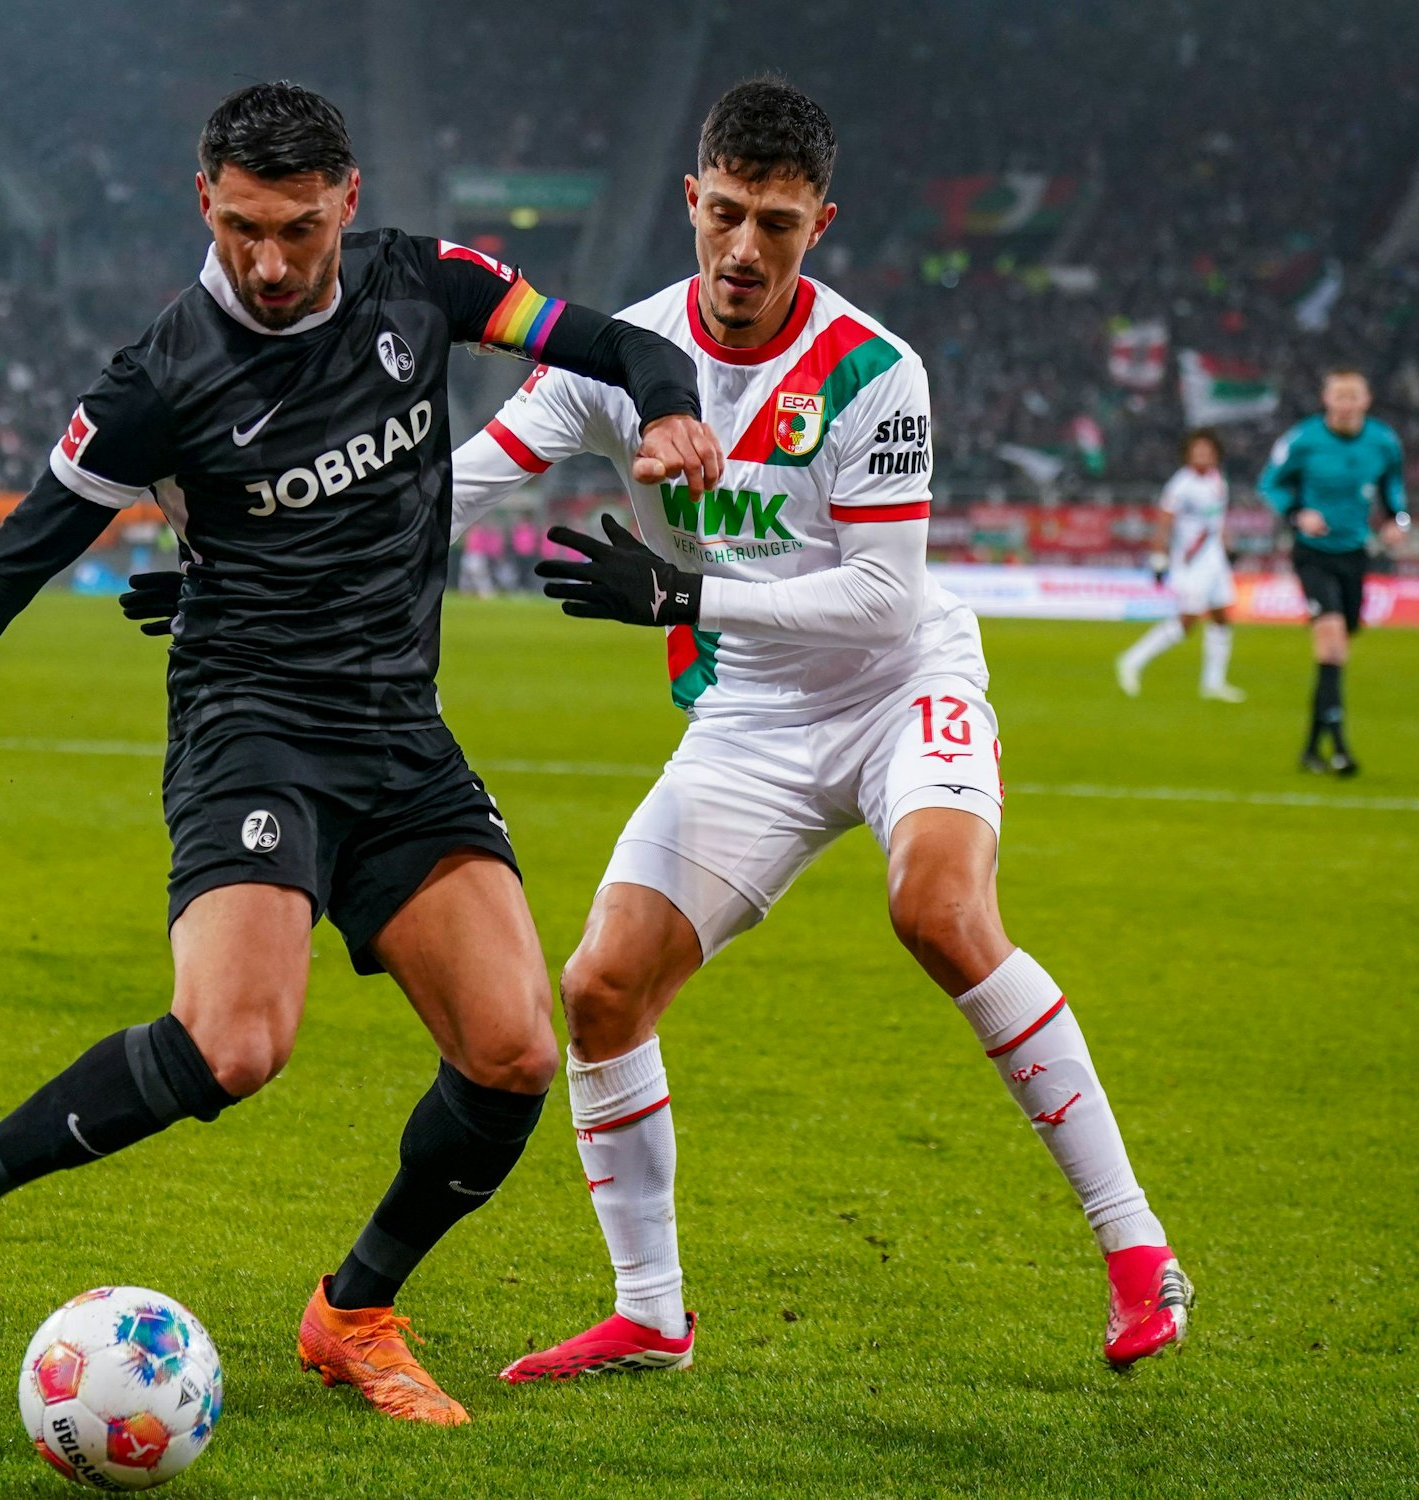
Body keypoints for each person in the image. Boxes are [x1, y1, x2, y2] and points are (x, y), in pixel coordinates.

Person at [0, 82, 721, 1429]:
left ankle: (355, 1313)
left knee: (512, 1052)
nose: (271, 265)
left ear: (348, 201)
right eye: (244, 230)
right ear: (203, 198)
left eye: (298, 232)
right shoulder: (157, 379)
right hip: (250, 725)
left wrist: (673, 405)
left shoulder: (427, 285)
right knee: (237, 1043)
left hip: (399, 732)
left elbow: (609, 343)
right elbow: (14, 561)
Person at [452, 77, 1189, 1378]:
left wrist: (683, 592)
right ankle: (651, 1314)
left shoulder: (871, 373)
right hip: (751, 714)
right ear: (691, 199)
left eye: (777, 226)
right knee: (601, 989)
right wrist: (272, 562)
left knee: (940, 914)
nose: (744, 251)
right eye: (725, 215)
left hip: (901, 686)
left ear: (820, 225)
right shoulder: (617, 357)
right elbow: (459, 485)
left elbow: (882, 593)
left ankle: (1138, 1254)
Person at [1258, 368, 1408, 775]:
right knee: (1331, 645)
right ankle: (1340, 750)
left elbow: (1393, 488)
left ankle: (1311, 750)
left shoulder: (1383, 441)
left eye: (1352, 395)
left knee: (1336, 655)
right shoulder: (1303, 439)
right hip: (1313, 554)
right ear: (1326, 400)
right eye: (1338, 395)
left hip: (1354, 554)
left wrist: (1400, 520)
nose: (1345, 403)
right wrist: (1296, 514)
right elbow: (1271, 483)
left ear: (1366, 399)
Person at [1116, 429, 1245, 700]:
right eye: (1198, 451)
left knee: (1221, 616)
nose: (1203, 455)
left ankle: (1213, 683)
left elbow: (1217, 519)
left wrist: (1228, 546)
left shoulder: (1218, 479)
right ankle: (1132, 660)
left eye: (1208, 451)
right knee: (1188, 621)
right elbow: (1164, 523)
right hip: (1191, 562)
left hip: (1215, 560)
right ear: (1188, 454)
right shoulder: (1181, 484)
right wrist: (1159, 557)